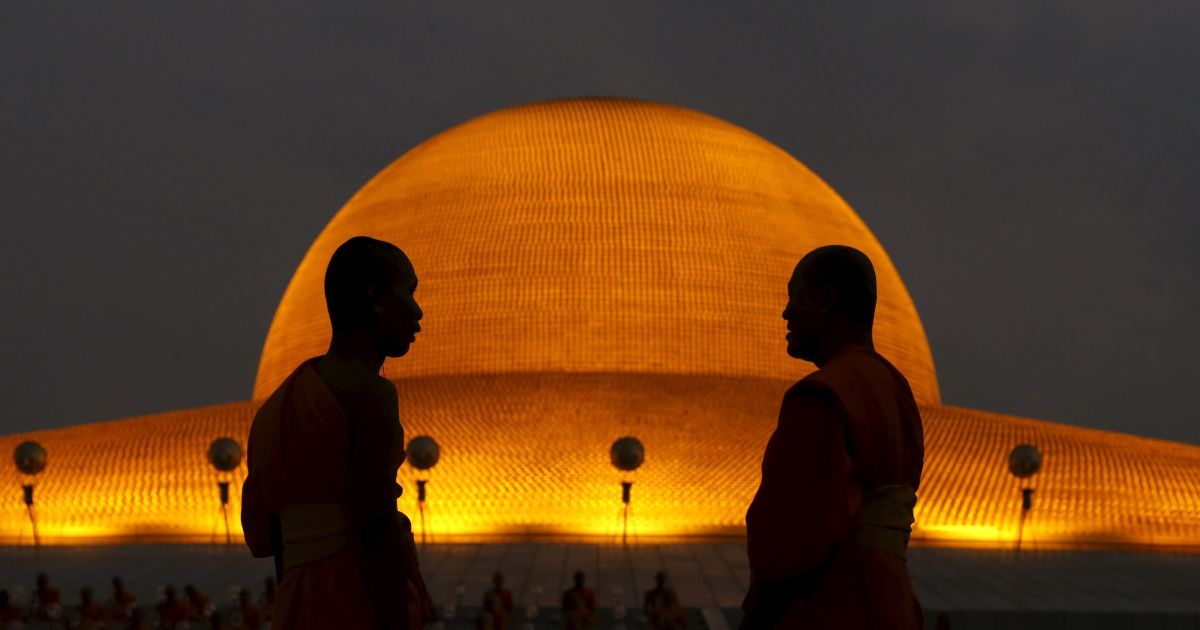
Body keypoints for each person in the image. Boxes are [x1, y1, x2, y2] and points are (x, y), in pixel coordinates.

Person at [242, 236, 433, 629]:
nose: (418, 311)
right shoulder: (369, 393)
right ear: (375, 297)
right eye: (410, 292)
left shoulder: (275, 408)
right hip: (351, 596)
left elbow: (269, 534)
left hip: (296, 599)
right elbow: (376, 523)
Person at [741, 245, 925, 629]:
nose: (786, 313)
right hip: (892, 598)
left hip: (835, 603)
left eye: (795, 298)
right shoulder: (894, 387)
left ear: (825, 300)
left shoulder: (823, 394)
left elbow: (799, 531)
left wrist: (758, 616)